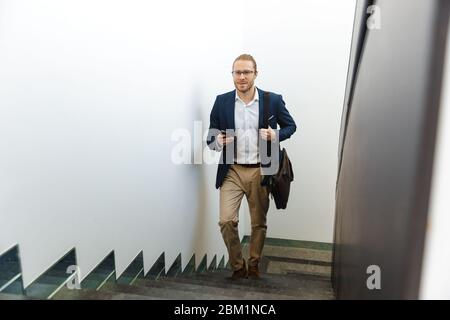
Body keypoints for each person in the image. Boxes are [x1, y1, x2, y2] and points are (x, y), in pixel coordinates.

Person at [206, 54, 297, 280]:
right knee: (226, 220)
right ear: (233, 75)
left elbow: (291, 126)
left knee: (258, 222)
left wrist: (275, 134)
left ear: (256, 73)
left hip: (261, 170)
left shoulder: (272, 100)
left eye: (247, 72)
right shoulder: (221, 101)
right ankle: (238, 266)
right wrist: (218, 141)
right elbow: (210, 135)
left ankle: (254, 263)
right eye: (237, 72)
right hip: (232, 170)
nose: (242, 77)